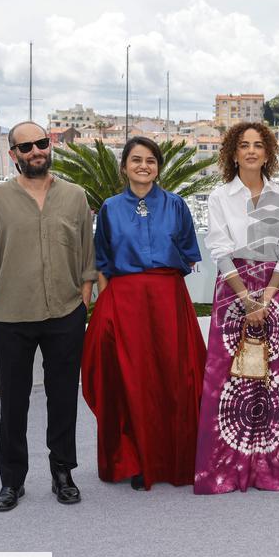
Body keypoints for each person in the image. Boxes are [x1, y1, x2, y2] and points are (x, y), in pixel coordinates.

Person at [0, 121, 96, 511]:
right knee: (14, 402)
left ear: (49, 145)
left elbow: (87, 257)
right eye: (26, 147)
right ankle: (12, 482)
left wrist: (83, 301)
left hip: (65, 313)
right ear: (14, 155)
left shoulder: (75, 196)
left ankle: (63, 473)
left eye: (41, 143)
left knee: (62, 400)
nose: (35, 151)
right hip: (10, 317)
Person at [81, 136, 206, 491]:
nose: (144, 166)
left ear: (158, 167)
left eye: (151, 160)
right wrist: (108, 309)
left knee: (174, 376)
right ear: (124, 166)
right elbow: (103, 261)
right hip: (124, 302)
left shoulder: (176, 205)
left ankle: (176, 458)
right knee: (131, 380)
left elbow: (190, 254)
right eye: (136, 160)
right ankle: (137, 459)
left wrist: (161, 277)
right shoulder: (109, 207)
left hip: (167, 299)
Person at [194, 122, 279, 493]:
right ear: (233, 153)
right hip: (233, 289)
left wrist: (267, 298)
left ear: (267, 152)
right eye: (244, 145)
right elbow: (219, 250)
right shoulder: (220, 196)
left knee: (271, 381)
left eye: (258, 145)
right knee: (230, 379)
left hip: (274, 290)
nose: (251, 151)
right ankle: (227, 469)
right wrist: (246, 299)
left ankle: (267, 469)